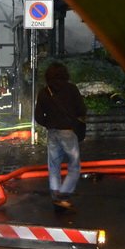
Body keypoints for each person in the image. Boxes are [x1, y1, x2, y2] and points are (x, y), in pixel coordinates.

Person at [34, 61, 87, 211]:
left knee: (54, 165)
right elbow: (81, 110)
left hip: (52, 132)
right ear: (65, 74)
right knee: (74, 165)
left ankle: (55, 193)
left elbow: (38, 116)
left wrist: (49, 123)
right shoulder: (71, 89)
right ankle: (64, 194)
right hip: (68, 131)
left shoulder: (44, 92)